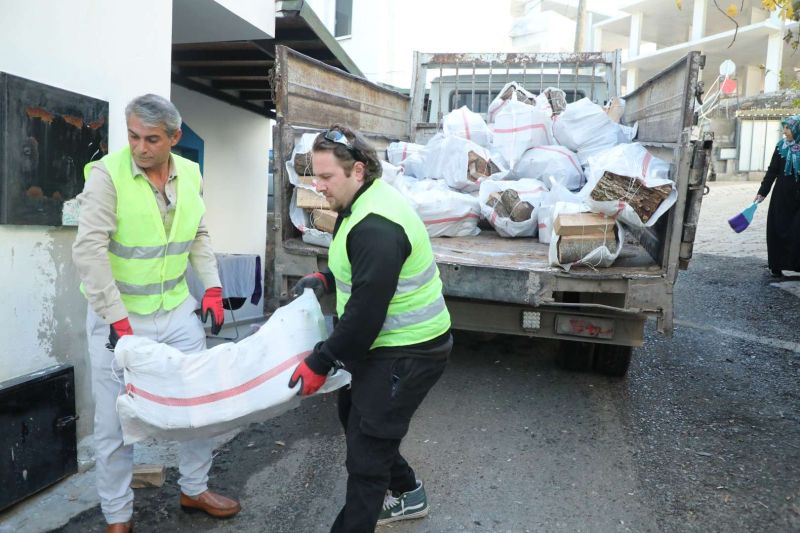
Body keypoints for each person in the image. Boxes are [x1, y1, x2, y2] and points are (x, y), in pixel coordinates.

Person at [72, 94, 240, 532]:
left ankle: (194, 488)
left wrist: (213, 288)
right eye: (132, 136)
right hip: (119, 320)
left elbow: (198, 233)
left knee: (198, 405)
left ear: (174, 138)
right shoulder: (107, 177)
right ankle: (117, 518)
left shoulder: (190, 173)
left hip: (176, 312)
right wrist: (117, 320)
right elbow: (89, 252)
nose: (140, 148)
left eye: (151, 139)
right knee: (114, 423)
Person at [288, 125, 452, 531]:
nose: (318, 186)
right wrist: (325, 280)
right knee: (353, 416)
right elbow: (358, 272)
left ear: (357, 171)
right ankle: (409, 492)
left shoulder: (377, 225)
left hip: (408, 351)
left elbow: (364, 316)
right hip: (384, 345)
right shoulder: (360, 203)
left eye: (326, 177)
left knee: (366, 458)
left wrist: (320, 361)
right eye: (315, 176)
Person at [755, 115, 800, 278]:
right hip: (781, 195)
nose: (785, 131)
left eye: (788, 128)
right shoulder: (781, 147)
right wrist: (762, 192)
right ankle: (776, 265)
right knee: (777, 228)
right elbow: (772, 171)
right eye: (785, 127)